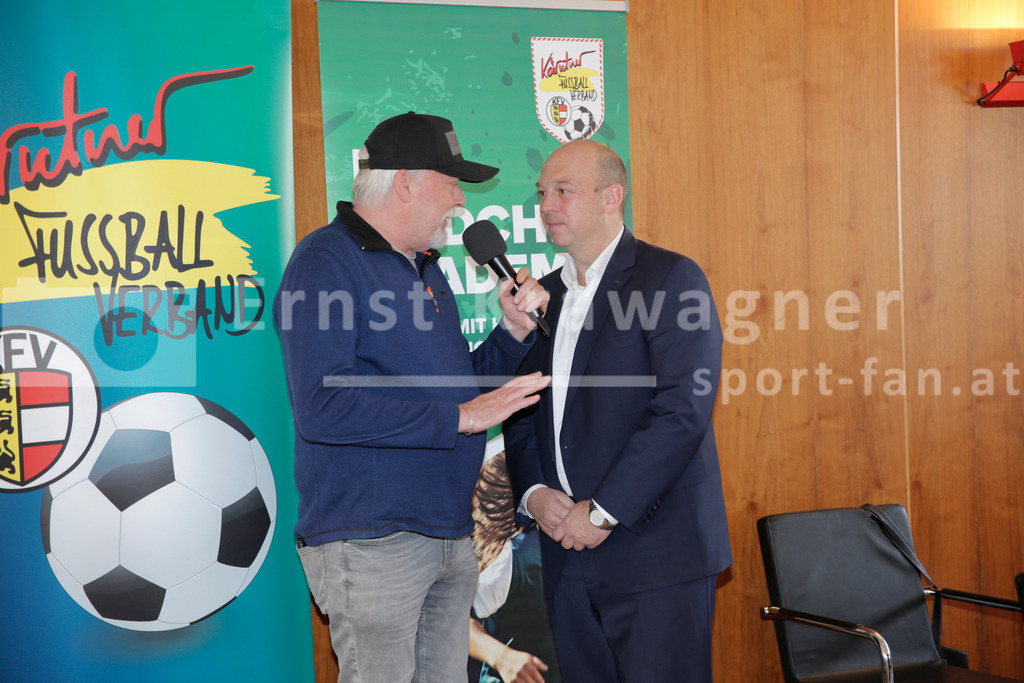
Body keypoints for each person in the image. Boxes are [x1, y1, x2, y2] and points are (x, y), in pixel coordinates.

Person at [272, 111, 551, 683]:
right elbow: (325, 405)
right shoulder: (325, 263)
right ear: (405, 182)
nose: (460, 202)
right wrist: (463, 419)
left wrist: (512, 334)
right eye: (451, 184)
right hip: (374, 541)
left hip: (448, 533)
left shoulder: (428, 270)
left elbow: (459, 394)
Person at [503, 140, 732, 683]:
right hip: (564, 556)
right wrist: (535, 495)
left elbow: (681, 411)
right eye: (542, 193)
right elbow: (519, 408)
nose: (547, 206)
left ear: (612, 197)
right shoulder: (543, 297)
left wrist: (602, 512)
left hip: (654, 556)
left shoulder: (671, 278)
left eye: (563, 191)